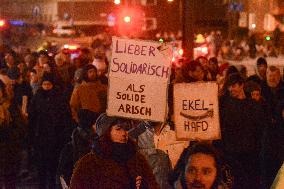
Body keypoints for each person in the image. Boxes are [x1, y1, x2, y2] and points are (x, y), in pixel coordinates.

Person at [70, 113, 159, 189]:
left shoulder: (138, 159)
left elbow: (154, 185)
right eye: (118, 129)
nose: (124, 133)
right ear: (106, 132)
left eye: (126, 129)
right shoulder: (88, 164)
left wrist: (145, 186)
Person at [28, 72, 72, 189]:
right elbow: (32, 117)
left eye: (49, 84)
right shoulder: (37, 97)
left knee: (53, 165)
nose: (46, 87)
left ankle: (52, 184)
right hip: (40, 137)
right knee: (41, 165)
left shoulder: (59, 97)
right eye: (45, 84)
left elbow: (65, 117)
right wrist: (31, 135)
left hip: (55, 137)